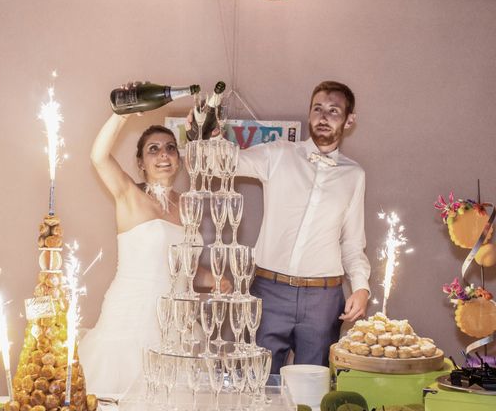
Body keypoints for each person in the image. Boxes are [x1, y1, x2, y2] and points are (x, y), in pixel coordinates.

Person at [79, 112, 229, 394]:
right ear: (141, 163)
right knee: (122, 400)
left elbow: (182, 269)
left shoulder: (187, 205)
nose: (164, 155)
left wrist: (213, 279)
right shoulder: (129, 194)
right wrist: (119, 114)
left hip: (179, 322)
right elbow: (99, 156)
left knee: (175, 404)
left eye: (171, 148)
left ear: (179, 159)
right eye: (154, 149)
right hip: (134, 316)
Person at [235, 81, 371, 373]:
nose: (323, 117)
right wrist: (203, 134)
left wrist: (360, 287)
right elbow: (226, 162)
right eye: (318, 109)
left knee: (314, 388)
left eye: (334, 111)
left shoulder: (354, 175)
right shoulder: (277, 154)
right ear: (309, 114)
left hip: (323, 299)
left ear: (349, 120)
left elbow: (352, 242)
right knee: (258, 382)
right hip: (268, 291)